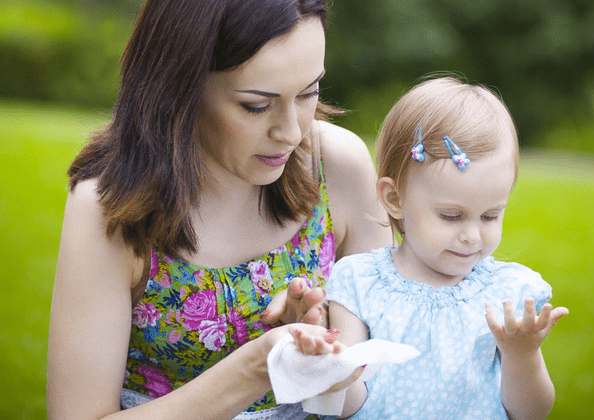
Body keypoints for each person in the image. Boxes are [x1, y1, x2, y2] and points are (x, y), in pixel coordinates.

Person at [46, 0, 392, 418]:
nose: (291, 131)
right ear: (179, 86)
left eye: (308, 93)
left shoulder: (337, 166)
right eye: (256, 105)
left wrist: (322, 356)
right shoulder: (111, 205)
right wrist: (256, 369)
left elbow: (388, 383)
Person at [324, 77, 569, 419]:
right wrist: (329, 367)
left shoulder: (504, 295)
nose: (472, 235)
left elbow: (531, 413)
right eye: (451, 216)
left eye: (490, 215)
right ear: (394, 200)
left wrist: (522, 356)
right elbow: (342, 408)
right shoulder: (359, 282)